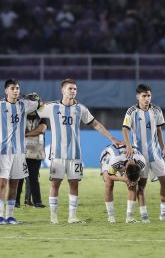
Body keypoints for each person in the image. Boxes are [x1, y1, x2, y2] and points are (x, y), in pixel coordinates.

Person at [37, 78, 121, 224]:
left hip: (75, 154)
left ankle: (72, 217)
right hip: (57, 154)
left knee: (74, 183)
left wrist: (112, 138)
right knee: (55, 184)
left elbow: (95, 124)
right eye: (70, 88)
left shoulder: (80, 109)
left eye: (75, 89)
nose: (73, 91)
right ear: (62, 90)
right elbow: (33, 112)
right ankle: (53, 217)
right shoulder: (51, 107)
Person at [0, 79, 40, 225]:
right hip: (3, 151)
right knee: (2, 182)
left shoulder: (24, 104)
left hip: (19, 152)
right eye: (13, 88)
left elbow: (40, 104)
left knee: (15, 183)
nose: (16, 90)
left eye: (18, 88)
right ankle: (0, 216)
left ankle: (10, 216)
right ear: (6, 90)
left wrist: (37, 99)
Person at [122, 84, 165, 222]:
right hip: (140, 155)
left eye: (149, 96)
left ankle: (163, 214)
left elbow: (159, 131)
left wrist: (163, 148)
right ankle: (144, 215)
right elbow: (125, 130)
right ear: (138, 97)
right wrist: (129, 146)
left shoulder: (157, 110)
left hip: (155, 153)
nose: (147, 98)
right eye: (144, 96)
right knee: (141, 185)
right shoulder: (131, 111)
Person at [99, 144, 147, 223]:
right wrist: (123, 179)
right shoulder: (115, 161)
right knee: (109, 183)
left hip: (125, 160)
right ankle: (111, 216)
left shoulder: (141, 161)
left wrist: (133, 181)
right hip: (108, 156)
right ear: (125, 171)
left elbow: (137, 177)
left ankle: (129, 217)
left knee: (132, 185)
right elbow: (110, 175)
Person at [16, 93, 47, 208]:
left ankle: (37, 201)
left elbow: (42, 129)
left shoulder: (42, 116)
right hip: (21, 150)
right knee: (18, 177)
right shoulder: (21, 115)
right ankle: (16, 201)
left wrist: (26, 134)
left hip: (36, 152)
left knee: (34, 178)